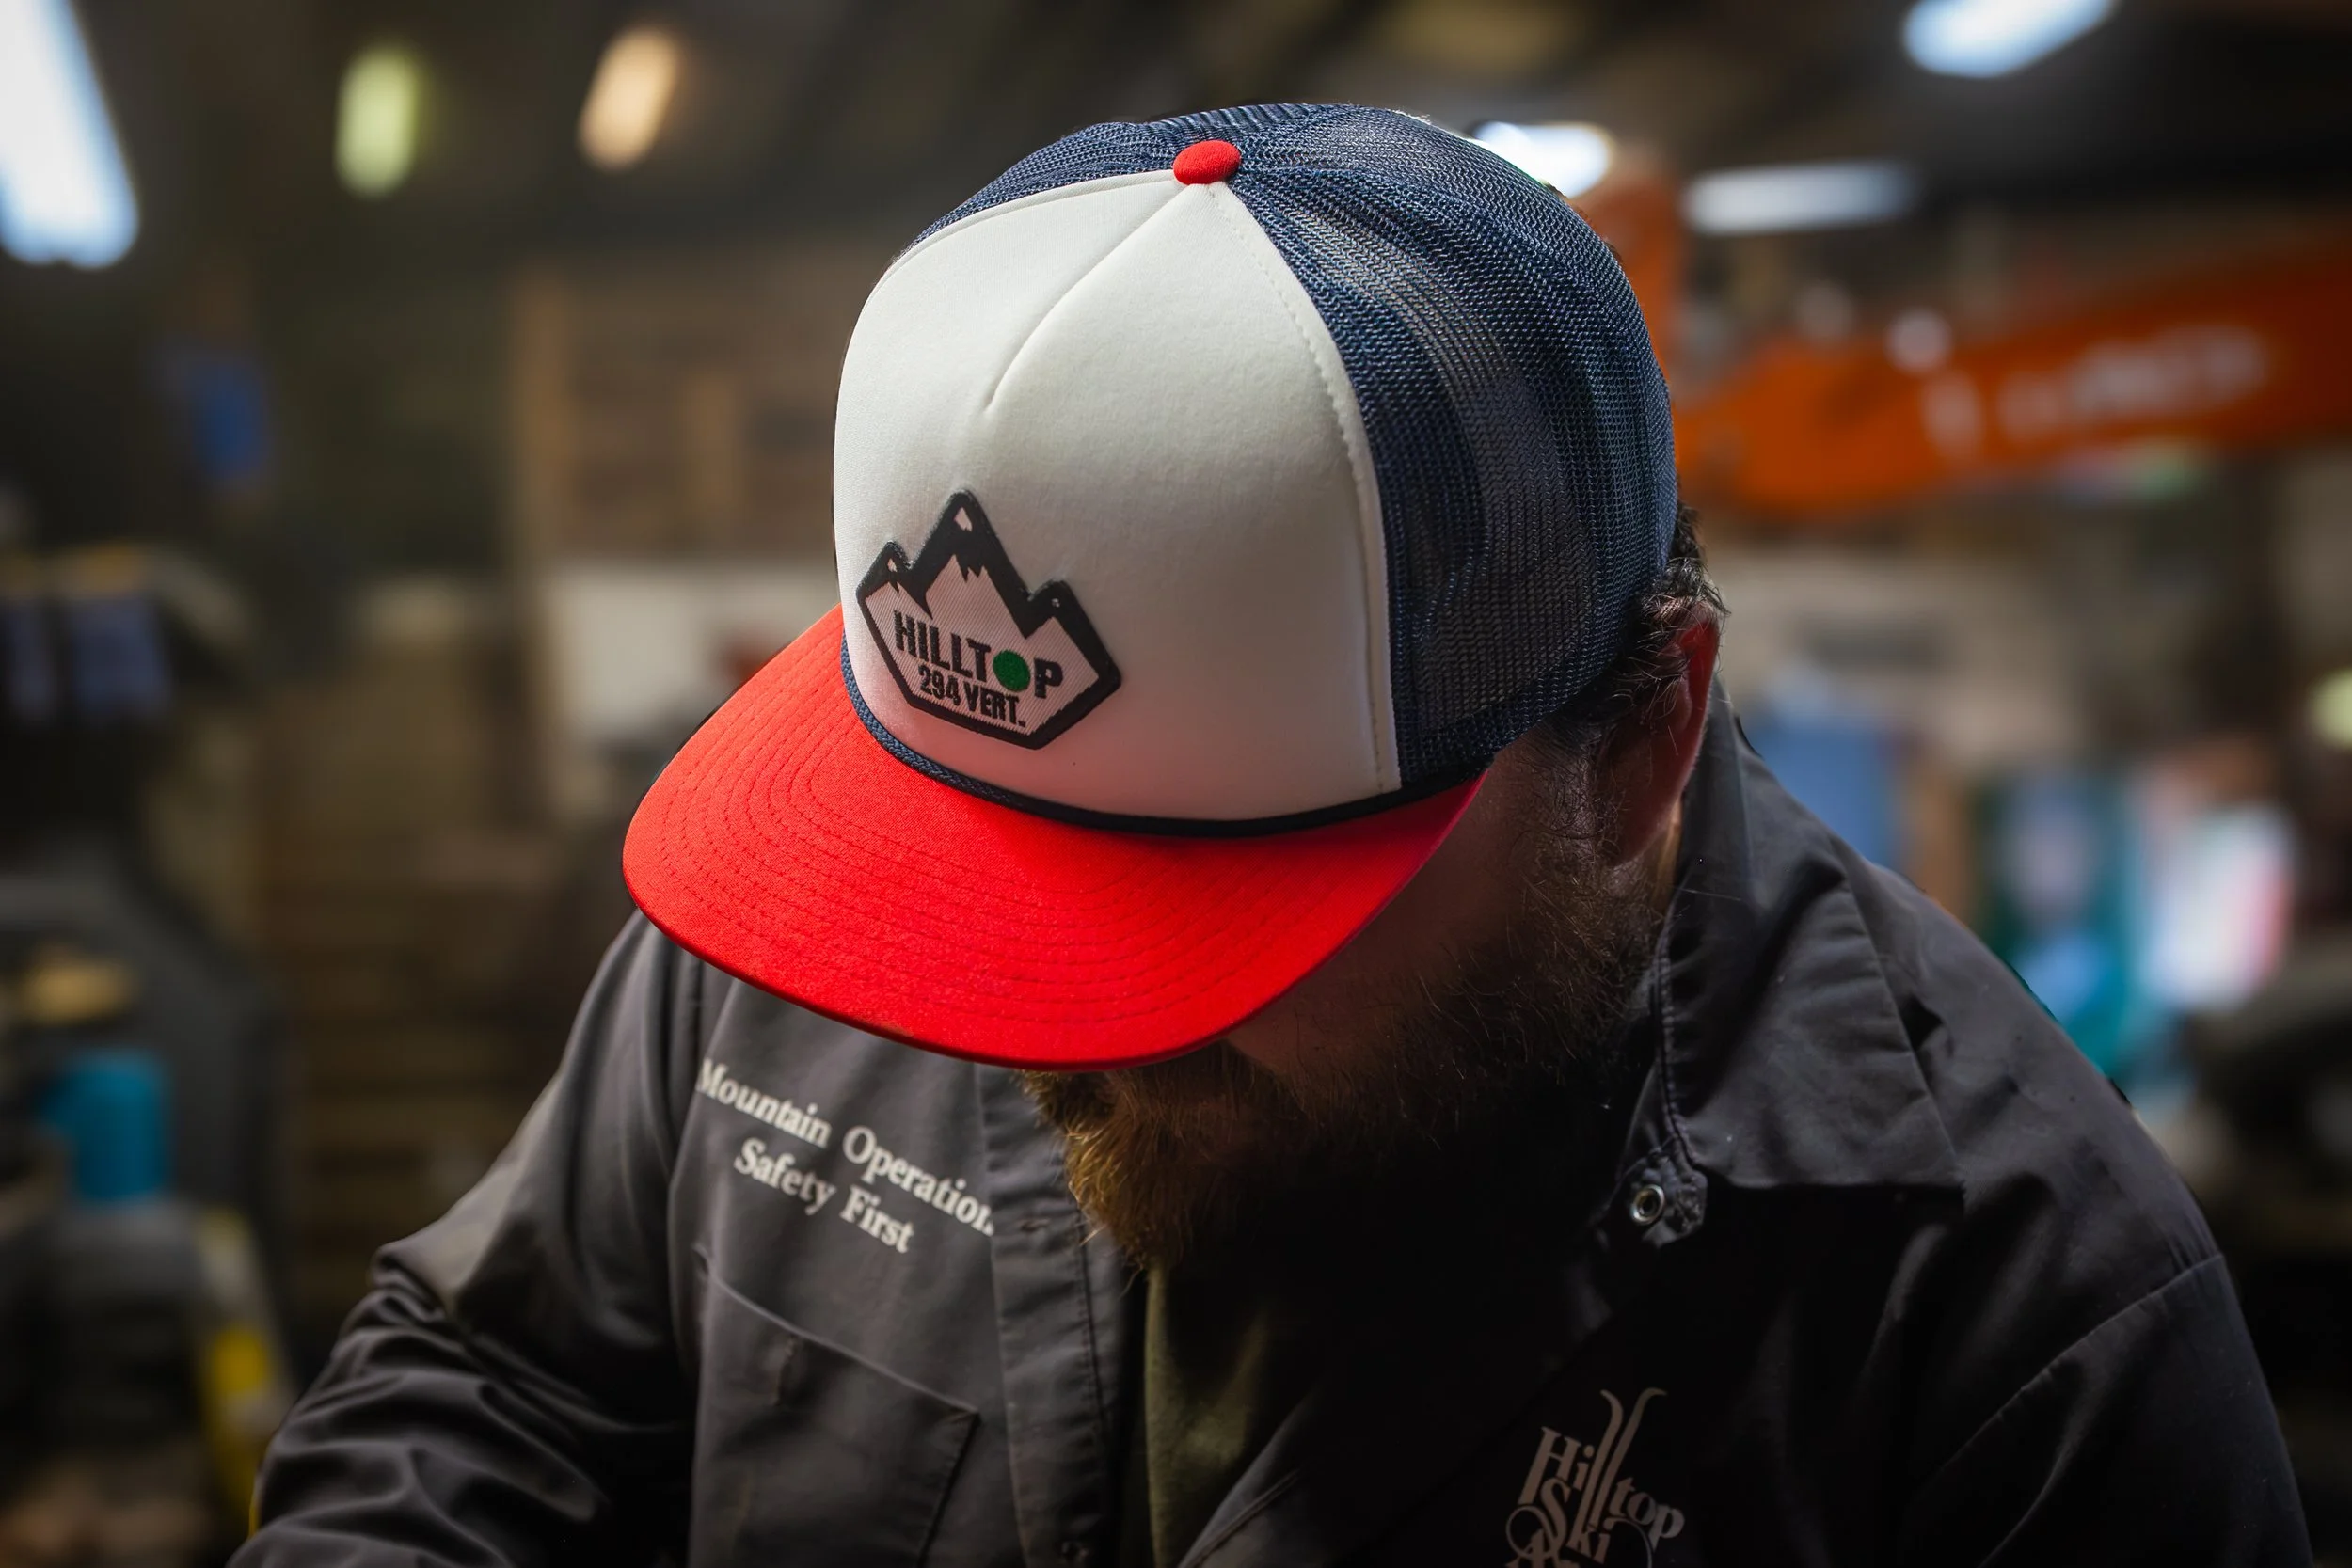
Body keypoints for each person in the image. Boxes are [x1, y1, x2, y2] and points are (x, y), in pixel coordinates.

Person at [239, 105, 2308, 1567]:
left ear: (1639, 743)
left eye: (1199, 903)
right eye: (978, 873)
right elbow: (495, 1384)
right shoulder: (801, 942)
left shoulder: (2007, 1329)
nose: (1037, 1023)